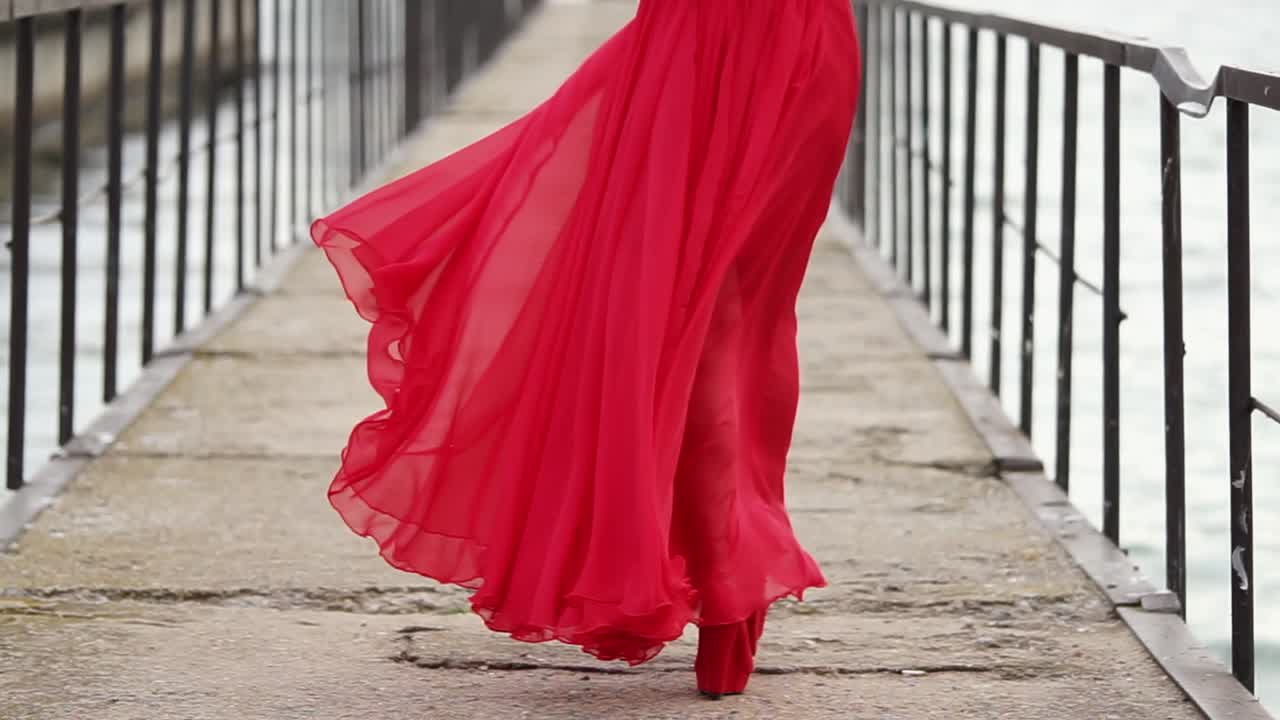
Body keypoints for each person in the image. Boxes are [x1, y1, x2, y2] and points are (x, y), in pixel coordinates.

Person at [311, 0, 862, 699]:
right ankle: (726, 583)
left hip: (730, 46)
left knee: (720, 317)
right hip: (761, 43)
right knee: (720, 317)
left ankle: (721, 576)